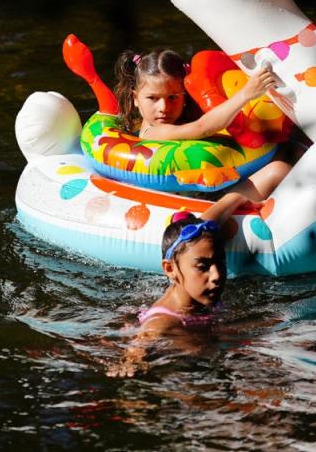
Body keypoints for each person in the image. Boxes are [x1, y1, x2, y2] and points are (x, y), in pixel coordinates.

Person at [114, 48, 290, 202]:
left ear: (184, 96)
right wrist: (245, 94)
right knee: (278, 170)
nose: (163, 108)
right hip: (193, 198)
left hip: (221, 181)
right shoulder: (152, 132)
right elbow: (202, 128)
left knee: (289, 151)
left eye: (173, 97)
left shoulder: (183, 116)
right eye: (152, 98)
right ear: (135, 98)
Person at [107, 191, 251, 377]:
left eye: (221, 262)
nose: (216, 275)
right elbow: (139, 346)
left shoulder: (195, 266)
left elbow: (208, 223)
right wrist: (130, 362)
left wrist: (234, 198)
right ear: (169, 269)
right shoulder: (163, 323)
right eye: (203, 266)